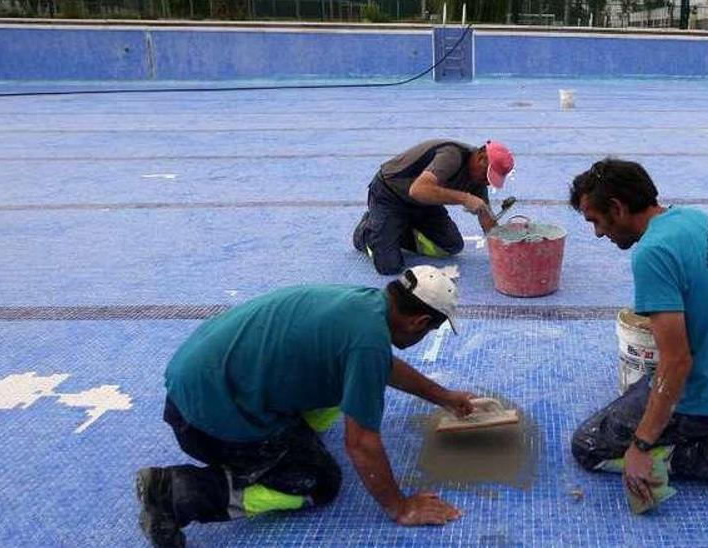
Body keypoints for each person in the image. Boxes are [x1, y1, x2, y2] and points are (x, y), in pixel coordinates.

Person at [136, 266, 474, 547]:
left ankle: (284, 441)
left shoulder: (366, 304)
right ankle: (176, 493)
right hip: (205, 423)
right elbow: (361, 444)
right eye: (431, 330)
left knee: (341, 390)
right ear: (419, 322)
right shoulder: (366, 343)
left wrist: (444, 397)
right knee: (319, 481)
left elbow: (379, 364)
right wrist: (400, 507)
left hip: (199, 383)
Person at [567, 158, 708, 508]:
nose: (597, 234)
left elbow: (676, 362)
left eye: (595, 221)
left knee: (588, 445)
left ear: (617, 208)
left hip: (698, 395)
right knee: (640, 388)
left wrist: (641, 445)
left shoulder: (652, 253)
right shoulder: (693, 219)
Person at [353, 139, 515, 275]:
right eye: (488, 175)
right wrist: (465, 198)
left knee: (452, 245)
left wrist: (506, 253)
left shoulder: (478, 181)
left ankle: (396, 228)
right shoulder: (452, 156)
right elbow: (418, 189)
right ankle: (366, 231)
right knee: (389, 266)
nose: (488, 182)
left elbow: (487, 221)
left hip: (424, 203)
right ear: (480, 157)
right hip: (390, 195)